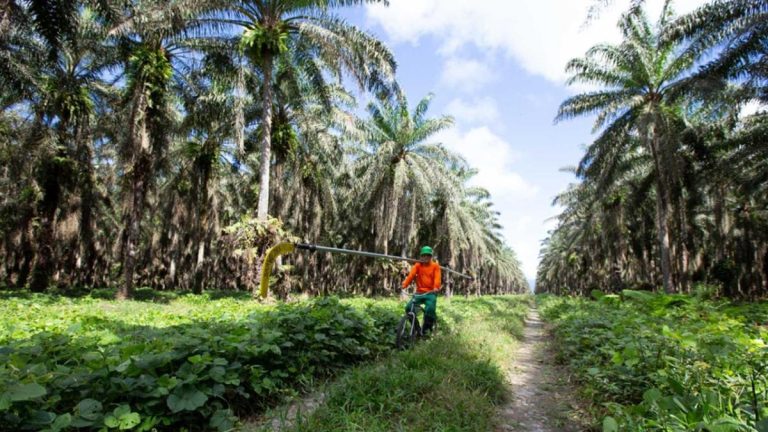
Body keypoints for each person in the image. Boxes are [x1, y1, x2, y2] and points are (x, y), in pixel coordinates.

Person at [401, 245, 441, 334]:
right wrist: (404, 284)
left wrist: (435, 287)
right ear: (421, 256)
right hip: (419, 292)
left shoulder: (435, 266)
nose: (425, 257)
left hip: (431, 293)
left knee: (429, 310)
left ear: (431, 257)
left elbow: (437, 278)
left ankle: (426, 330)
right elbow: (411, 275)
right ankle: (416, 328)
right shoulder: (417, 265)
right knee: (408, 308)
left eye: (428, 255)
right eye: (423, 255)